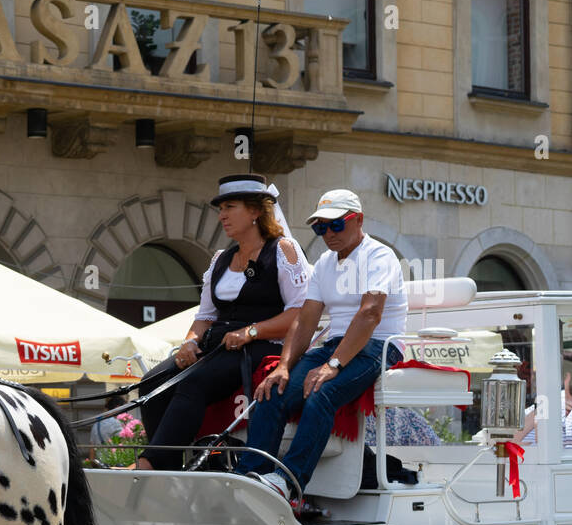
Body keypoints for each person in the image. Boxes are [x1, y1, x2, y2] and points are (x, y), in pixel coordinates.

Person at [238, 188, 407, 502]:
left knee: (321, 392)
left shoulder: (378, 255)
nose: (328, 233)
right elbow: (305, 319)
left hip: (378, 345)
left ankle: (287, 482)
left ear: (358, 220)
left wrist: (333, 365)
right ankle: (252, 475)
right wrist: (284, 366)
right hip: (336, 343)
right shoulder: (326, 262)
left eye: (336, 225)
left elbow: (370, 314)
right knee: (271, 388)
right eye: (320, 227)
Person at [135, 174, 309, 470]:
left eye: (230, 207)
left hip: (263, 345)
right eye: (221, 208)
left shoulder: (282, 250)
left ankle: (151, 464)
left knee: (195, 383)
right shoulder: (220, 259)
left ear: (255, 211)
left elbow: (300, 314)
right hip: (219, 344)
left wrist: (251, 331)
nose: (222, 215)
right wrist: (189, 342)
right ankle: (169, 466)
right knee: (152, 382)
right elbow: (204, 316)